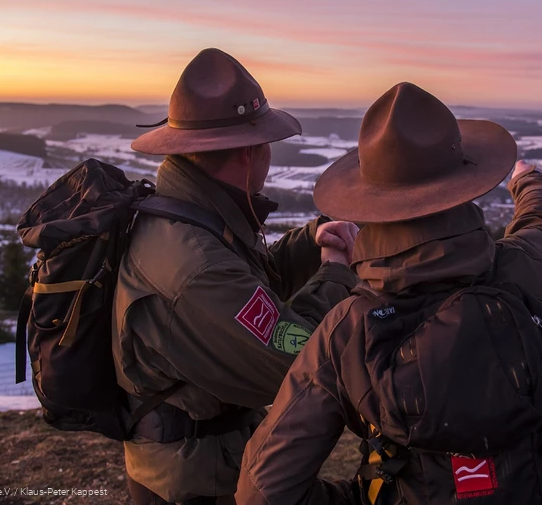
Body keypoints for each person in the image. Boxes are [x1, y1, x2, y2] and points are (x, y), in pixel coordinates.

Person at [236, 82, 542, 504]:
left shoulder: (347, 330)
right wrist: (528, 181)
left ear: (372, 200)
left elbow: (263, 492)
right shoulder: (532, 267)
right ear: (464, 180)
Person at [113, 48, 359, 504]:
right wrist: (336, 274)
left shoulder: (188, 217)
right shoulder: (197, 268)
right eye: (266, 142)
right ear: (249, 153)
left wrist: (310, 241)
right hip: (200, 483)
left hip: (190, 465)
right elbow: (298, 360)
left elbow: (247, 292)